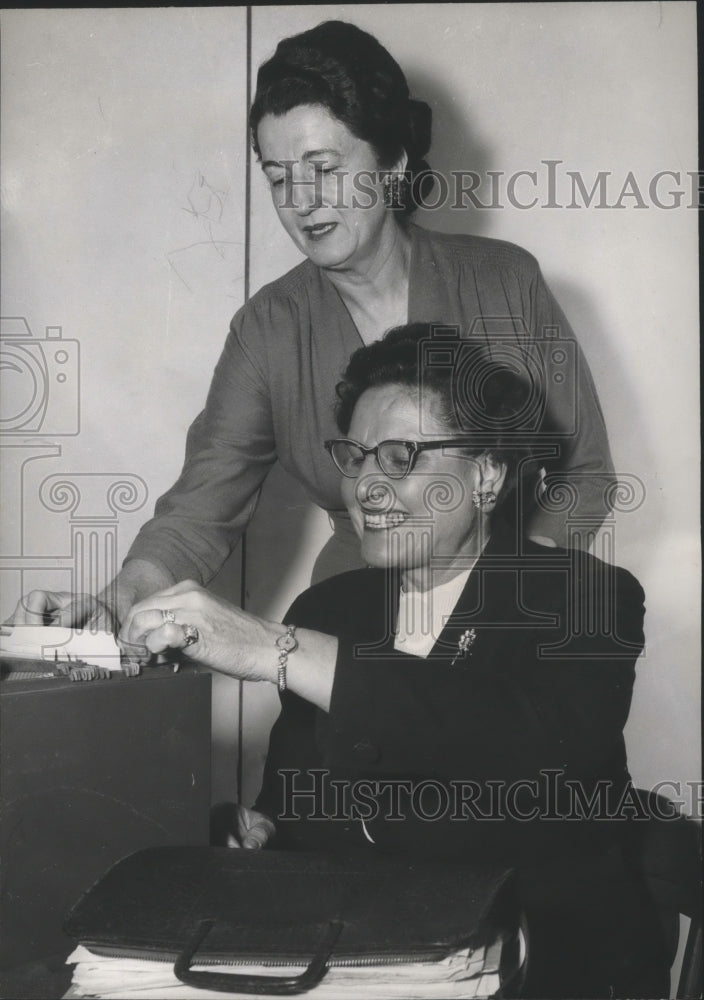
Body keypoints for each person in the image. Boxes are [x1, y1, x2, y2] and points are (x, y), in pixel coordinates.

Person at [121, 324, 667, 999]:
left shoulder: (584, 597)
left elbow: (524, 756)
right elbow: (295, 809)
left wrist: (274, 650)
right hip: (364, 963)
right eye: (355, 456)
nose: (367, 486)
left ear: (487, 475)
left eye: (401, 456)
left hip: (543, 966)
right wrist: (260, 835)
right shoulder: (329, 610)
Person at [12, 20, 614, 632]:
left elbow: (584, 474)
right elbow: (200, 508)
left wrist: (505, 599)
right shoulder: (269, 329)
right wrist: (116, 601)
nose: (301, 200)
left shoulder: (505, 281)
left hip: (511, 611)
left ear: (392, 163)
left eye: (322, 168)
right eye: (278, 177)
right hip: (355, 619)